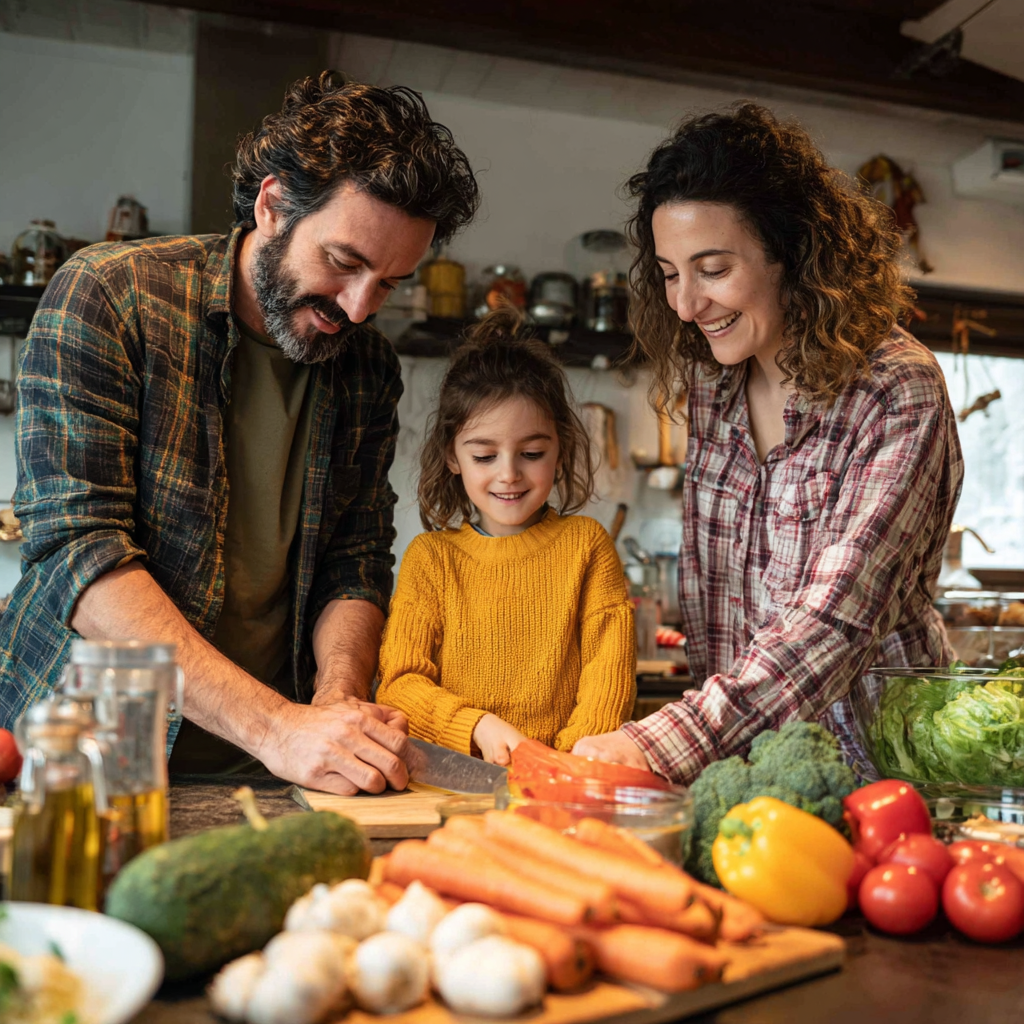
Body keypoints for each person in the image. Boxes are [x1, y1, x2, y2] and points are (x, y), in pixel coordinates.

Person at [0, 71, 479, 795]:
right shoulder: (111, 295)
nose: (358, 306)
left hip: (269, 773)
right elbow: (79, 554)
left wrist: (336, 700)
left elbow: (353, 556)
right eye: (345, 263)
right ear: (273, 205)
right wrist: (275, 727)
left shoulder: (367, 367)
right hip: (84, 763)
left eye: (388, 282)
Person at [572, 104, 963, 783]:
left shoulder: (895, 392)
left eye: (713, 269)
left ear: (793, 253)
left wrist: (664, 742)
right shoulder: (712, 385)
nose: (688, 305)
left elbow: (833, 623)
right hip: (745, 774)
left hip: (879, 778)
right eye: (669, 273)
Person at [376, 309, 636, 765]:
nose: (509, 474)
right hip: (454, 782)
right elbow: (400, 685)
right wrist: (476, 726)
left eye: (532, 453)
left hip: (560, 777)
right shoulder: (431, 559)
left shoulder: (587, 546)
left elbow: (607, 678)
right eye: (484, 456)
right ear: (453, 457)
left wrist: (561, 762)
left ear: (561, 448)